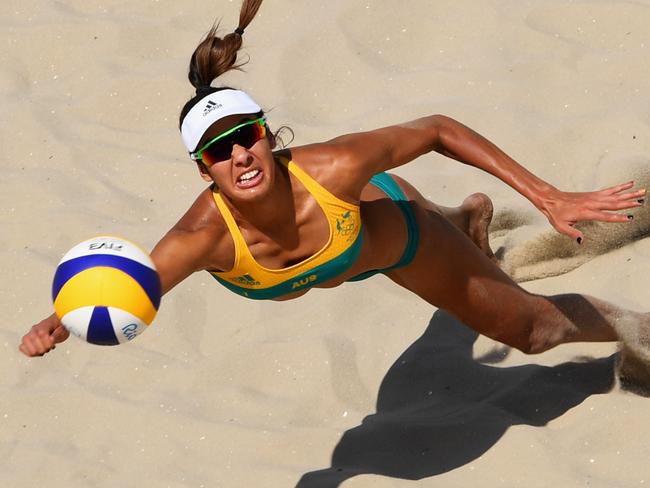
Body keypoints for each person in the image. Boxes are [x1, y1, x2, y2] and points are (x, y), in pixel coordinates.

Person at [19, 0, 649, 386]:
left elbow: (436, 129)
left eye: (246, 136)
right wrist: (59, 322)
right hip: (341, 254)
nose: (239, 155)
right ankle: (468, 221)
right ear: (202, 169)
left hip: (389, 235)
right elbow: (120, 286)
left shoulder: (334, 167)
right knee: (462, 250)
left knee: (535, 333)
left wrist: (548, 196)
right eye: (218, 150)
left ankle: (640, 330)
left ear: (267, 135)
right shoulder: (199, 240)